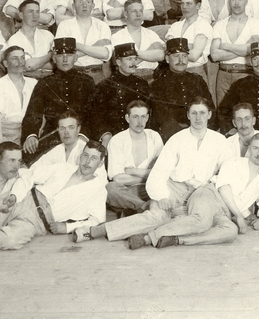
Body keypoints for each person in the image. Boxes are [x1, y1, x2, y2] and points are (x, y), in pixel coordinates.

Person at [89, 96, 232, 245]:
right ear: (188, 115)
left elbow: (227, 174)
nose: (198, 118)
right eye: (194, 113)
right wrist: (162, 196)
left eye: (202, 113)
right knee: (159, 216)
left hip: (202, 192)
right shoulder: (177, 139)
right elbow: (159, 172)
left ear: (209, 115)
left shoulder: (220, 140)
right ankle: (103, 230)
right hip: (175, 188)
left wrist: (211, 187)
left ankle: (154, 237)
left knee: (228, 229)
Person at [131, 132, 259, 250]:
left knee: (230, 232)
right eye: (255, 148)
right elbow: (224, 189)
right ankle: (148, 238)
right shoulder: (234, 163)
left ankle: (177, 239)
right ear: (249, 149)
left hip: (224, 213)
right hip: (210, 195)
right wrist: (239, 216)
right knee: (202, 222)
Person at [21, 38, 96, 162]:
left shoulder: (87, 81)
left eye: (69, 55)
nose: (65, 59)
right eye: (61, 55)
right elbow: (33, 113)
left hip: (81, 134)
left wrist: (83, 135)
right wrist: (31, 135)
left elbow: (93, 114)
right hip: (53, 135)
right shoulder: (45, 83)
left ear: (76, 58)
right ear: (54, 59)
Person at [210, 0, 259, 108]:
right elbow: (215, 55)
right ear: (229, 1)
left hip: (245, 73)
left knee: (246, 111)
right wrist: (244, 49)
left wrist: (226, 46)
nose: (236, 3)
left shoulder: (255, 24)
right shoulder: (220, 25)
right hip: (223, 74)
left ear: (246, 1)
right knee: (224, 113)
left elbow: (252, 51)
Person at [105, 99, 164, 215]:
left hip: (150, 189)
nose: (140, 121)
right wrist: (148, 174)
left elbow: (161, 172)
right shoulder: (117, 140)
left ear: (147, 117)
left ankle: (133, 210)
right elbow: (118, 179)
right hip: (125, 191)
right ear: (127, 118)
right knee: (110, 188)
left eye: (143, 117)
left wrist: (132, 171)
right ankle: (144, 208)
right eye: (135, 117)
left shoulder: (154, 136)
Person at [91, 43, 155, 144]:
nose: (134, 63)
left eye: (135, 59)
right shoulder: (105, 86)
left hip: (139, 132)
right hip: (114, 136)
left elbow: (149, 113)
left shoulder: (142, 83)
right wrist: (105, 134)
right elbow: (96, 116)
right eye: (129, 59)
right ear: (118, 62)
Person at [149, 38, 211, 139]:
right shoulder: (158, 84)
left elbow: (209, 107)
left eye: (184, 56)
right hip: (173, 133)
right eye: (176, 56)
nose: (181, 61)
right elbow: (161, 117)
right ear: (167, 59)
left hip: (198, 129)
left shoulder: (197, 80)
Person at [54, 0, 112, 84]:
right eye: (80, 2)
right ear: (73, 6)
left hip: (97, 74)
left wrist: (74, 45)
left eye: (88, 2)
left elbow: (105, 54)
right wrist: (95, 46)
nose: (84, 5)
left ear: (93, 6)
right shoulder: (64, 25)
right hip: (72, 74)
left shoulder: (102, 26)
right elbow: (63, 55)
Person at [0, 47, 37, 145]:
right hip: (5, 133)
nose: (20, 62)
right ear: (5, 63)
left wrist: (33, 135)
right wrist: (0, 146)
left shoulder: (33, 83)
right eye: (15, 59)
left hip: (29, 133)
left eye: (22, 58)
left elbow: (40, 114)